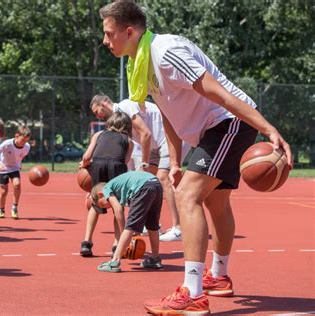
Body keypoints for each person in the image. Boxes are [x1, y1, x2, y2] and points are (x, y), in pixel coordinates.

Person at [99, 2, 292, 314]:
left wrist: (269, 129)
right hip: (214, 129)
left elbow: (221, 93)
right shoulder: (142, 62)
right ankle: (218, 276)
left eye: (109, 34)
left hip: (228, 121)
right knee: (216, 203)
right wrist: (175, 161)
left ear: (129, 31)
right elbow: (170, 115)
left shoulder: (165, 51)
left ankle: (192, 293)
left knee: (187, 195)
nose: (105, 41)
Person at [90, 95, 184, 242]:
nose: (98, 116)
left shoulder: (125, 106)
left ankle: (178, 228)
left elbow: (145, 133)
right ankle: (153, 225)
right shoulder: (117, 119)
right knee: (149, 185)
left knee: (163, 178)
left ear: (103, 104)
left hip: (167, 137)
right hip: (154, 145)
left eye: (97, 112)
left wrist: (144, 164)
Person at [78, 112, 133, 257]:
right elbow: (124, 162)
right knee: (117, 206)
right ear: (127, 126)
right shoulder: (128, 141)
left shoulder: (98, 135)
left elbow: (86, 157)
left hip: (98, 165)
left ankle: (86, 242)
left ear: (109, 123)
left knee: (95, 205)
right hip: (117, 166)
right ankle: (116, 244)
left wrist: (83, 165)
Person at [90, 170, 163, 273]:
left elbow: (118, 210)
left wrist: (124, 232)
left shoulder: (106, 189)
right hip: (156, 184)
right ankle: (155, 258)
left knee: (130, 226)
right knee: (152, 225)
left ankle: (114, 262)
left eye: (102, 205)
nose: (106, 207)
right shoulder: (118, 187)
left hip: (142, 186)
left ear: (101, 194)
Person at [0, 126, 31, 220]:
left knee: (17, 184)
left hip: (14, 168)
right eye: (22, 140)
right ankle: (1, 209)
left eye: (26, 141)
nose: (24, 143)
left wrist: (19, 164)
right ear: (16, 136)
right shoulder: (7, 144)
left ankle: (14, 207)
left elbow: (20, 156)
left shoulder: (27, 147)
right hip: (3, 168)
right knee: (3, 191)